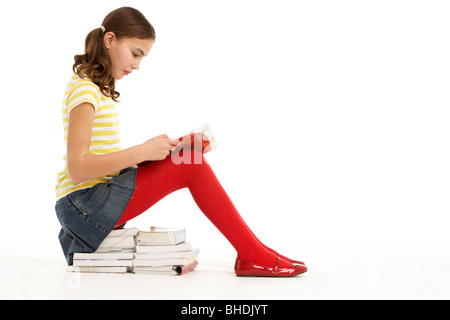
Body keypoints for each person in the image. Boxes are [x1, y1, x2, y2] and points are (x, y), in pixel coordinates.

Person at [55, 6, 307, 277]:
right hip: (82, 205)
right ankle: (253, 255)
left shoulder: (94, 89)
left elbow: (98, 160)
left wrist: (151, 155)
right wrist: (142, 150)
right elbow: (78, 168)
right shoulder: (84, 89)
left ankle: (256, 251)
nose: (137, 65)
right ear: (110, 40)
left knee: (186, 157)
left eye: (142, 57)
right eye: (135, 53)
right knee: (191, 164)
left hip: (89, 202)